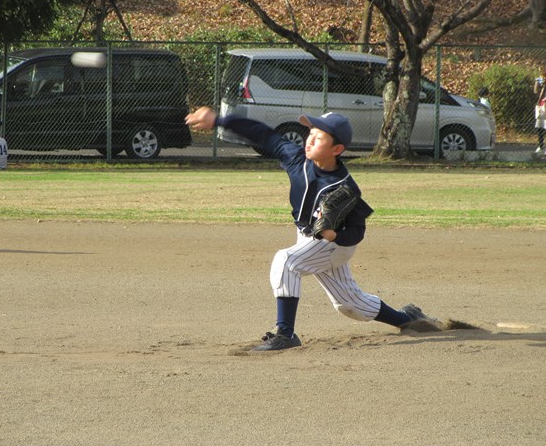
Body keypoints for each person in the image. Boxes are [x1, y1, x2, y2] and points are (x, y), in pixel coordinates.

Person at [185, 107, 442, 351]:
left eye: (318, 138)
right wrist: (219, 120)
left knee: (286, 262)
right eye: (310, 134)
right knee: (351, 305)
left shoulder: (345, 186)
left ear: (336, 149)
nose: (309, 140)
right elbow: (263, 134)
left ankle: (285, 334)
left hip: (333, 245)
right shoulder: (296, 158)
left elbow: (357, 230)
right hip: (307, 237)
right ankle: (409, 319)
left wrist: (335, 235)